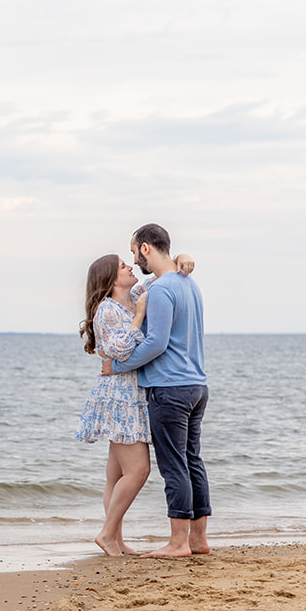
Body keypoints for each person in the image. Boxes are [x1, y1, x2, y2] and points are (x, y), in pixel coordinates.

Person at [76, 250, 196, 557]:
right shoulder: (107, 309)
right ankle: (106, 534)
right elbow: (118, 350)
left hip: (133, 394)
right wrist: (140, 316)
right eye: (122, 266)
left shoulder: (136, 295)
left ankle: (114, 538)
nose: (131, 267)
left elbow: (162, 274)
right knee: (139, 470)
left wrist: (183, 259)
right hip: (120, 396)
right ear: (110, 279)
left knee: (115, 475)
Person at [103, 223, 209, 558]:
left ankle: (178, 542)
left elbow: (156, 343)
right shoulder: (188, 284)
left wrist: (116, 367)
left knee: (173, 464)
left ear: (147, 248)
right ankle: (198, 540)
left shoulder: (163, 290)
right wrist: (183, 258)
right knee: (192, 461)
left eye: (135, 251)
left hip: (170, 388)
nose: (135, 260)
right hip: (196, 384)